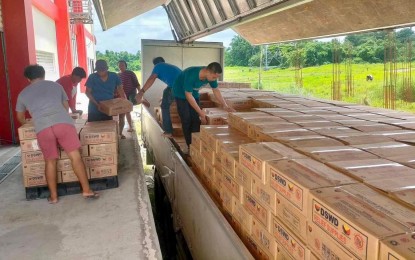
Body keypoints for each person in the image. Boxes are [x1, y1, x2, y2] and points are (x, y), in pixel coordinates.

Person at [16, 64, 98, 204]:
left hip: (43, 128)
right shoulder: (56, 86)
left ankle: (53, 197)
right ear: (43, 75)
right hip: (63, 124)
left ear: (28, 78)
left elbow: (20, 117)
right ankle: (86, 190)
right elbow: (66, 107)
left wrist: (32, 121)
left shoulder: (23, 93)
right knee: (75, 157)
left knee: (50, 161)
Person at [172, 62, 235, 153]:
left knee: (196, 120)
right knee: (186, 119)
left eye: (216, 77)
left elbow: (216, 90)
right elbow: (188, 96)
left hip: (193, 93)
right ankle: (190, 145)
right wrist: (201, 113)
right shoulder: (191, 75)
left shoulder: (211, 77)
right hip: (181, 93)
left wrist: (224, 105)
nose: (215, 79)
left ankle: (195, 143)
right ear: (208, 72)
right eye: (214, 77)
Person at [136, 57, 181, 137]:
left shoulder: (158, 66)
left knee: (164, 107)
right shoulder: (170, 66)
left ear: (155, 64)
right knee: (168, 93)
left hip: (175, 87)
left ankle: (168, 131)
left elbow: (152, 78)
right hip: (183, 87)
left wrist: (141, 91)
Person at [117, 60, 140, 133]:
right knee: (126, 111)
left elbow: (136, 83)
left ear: (125, 66)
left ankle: (142, 101)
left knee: (131, 105)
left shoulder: (130, 73)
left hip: (131, 93)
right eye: (119, 65)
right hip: (123, 94)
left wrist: (140, 93)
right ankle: (130, 127)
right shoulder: (118, 75)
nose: (121, 67)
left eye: (122, 65)